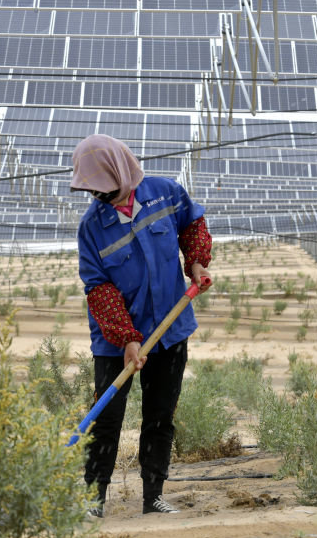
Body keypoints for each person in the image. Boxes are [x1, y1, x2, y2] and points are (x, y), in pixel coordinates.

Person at [72, 134, 213, 517]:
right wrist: (127, 340)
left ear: (124, 171)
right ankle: (93, 502)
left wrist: (197, 262)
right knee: (107, 419)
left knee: (160, 414)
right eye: (96, 192)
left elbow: (192, 224)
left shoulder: (165, 193)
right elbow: (98, 288)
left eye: (108, 190)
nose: (103, 198)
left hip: (171, 327)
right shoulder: (92, 228)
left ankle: (153, 496)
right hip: (115, 340)